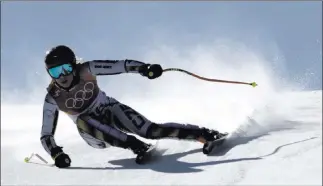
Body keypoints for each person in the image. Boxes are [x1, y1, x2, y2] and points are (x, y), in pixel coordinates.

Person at [40, 45, 227, 168]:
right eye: (55, 71)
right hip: (93, 135)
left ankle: (205, 134)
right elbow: (46, 134)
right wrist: (56, 153)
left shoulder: (87, 70)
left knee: (150, 130)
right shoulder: (53, 97)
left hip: (109, 110)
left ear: (74, 65)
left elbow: (120, 66)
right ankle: (137, 146)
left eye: (66, 68)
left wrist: (144, 69)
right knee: (83, 119)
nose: (62, 76)